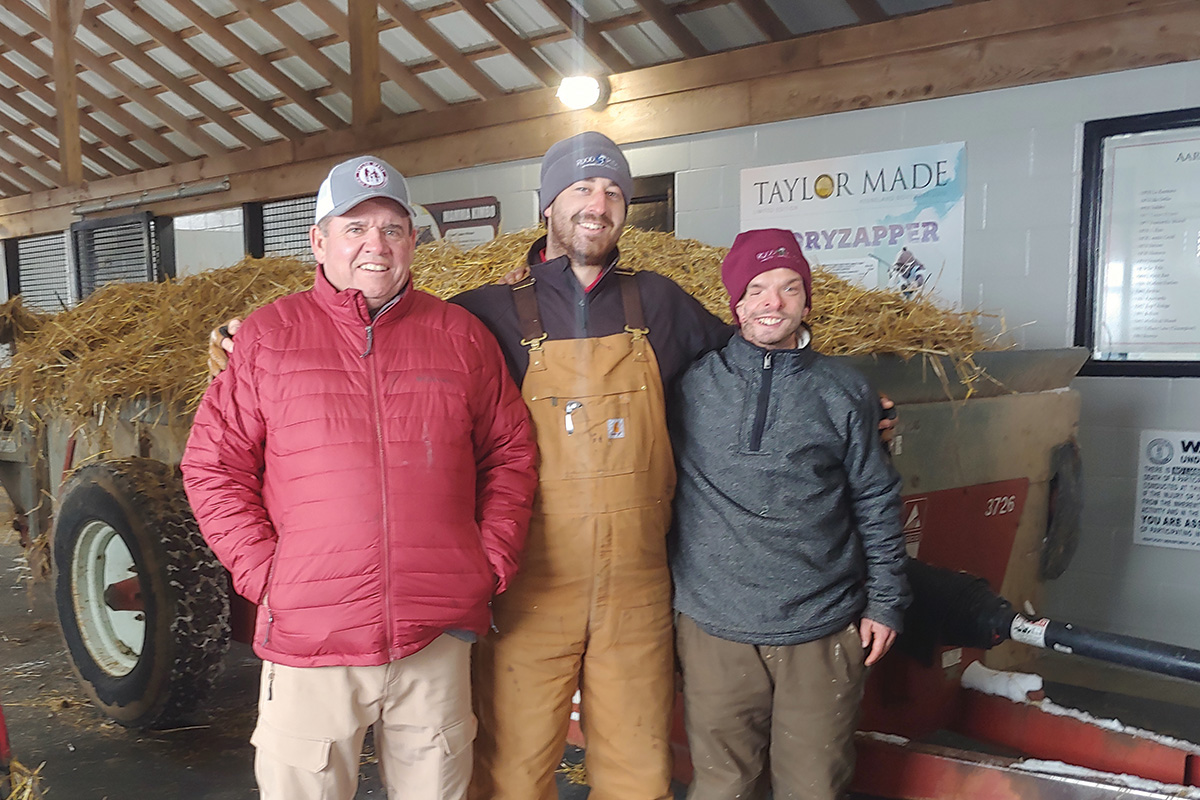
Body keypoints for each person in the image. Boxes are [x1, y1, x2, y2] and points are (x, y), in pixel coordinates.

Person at [181, 155, 538, 800]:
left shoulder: (460, 337)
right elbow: (214, 466)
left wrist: (486, 562)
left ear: (411, 242)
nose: (376, 244)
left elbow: (510, 453)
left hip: (433, 638)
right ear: (319, 240)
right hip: (311, 639)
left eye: (393, 228)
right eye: (355, 227)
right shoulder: (267, 338)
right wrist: (267, 574)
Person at [668, 228, 911, 800]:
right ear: (735, 302)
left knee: (813, 787)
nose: (772, 302)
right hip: (715, 626)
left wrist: (887, 601)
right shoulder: (690, 386)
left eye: (788, 287)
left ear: (807, 299)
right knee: (724, 786)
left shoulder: (845, 391)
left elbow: (876, 500)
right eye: (756, 288)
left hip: (821, 626)